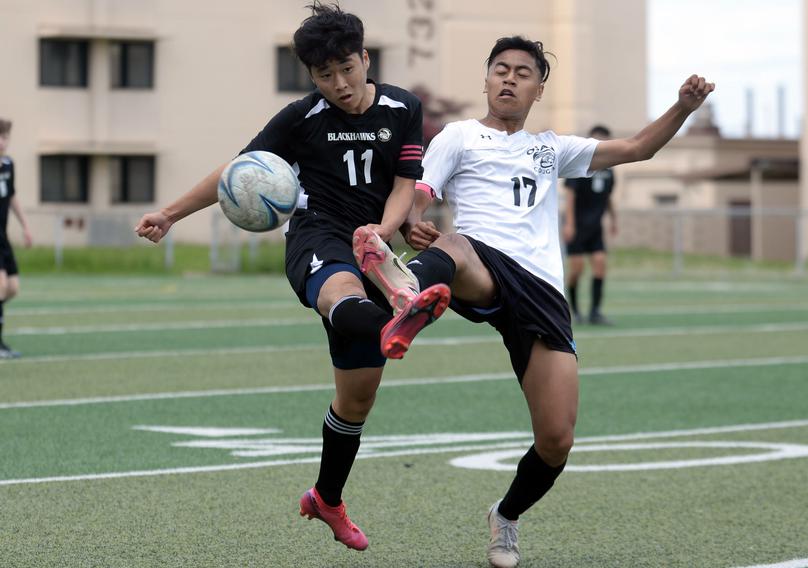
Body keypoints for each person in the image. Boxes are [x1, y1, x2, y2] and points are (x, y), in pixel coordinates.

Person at [355, 36, 713, 568]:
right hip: (481, 265)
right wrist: (410, 219)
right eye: (500, 69)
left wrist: (683, 108)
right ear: (485, 80)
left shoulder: (552, 148)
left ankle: (505, 516)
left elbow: (639, 148)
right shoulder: (459, 136)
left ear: (538, 89)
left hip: (542, 294)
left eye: (523, 72)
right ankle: (405, 293)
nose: (509, 78)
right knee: (455, 243)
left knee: (557, 439)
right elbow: (423, 190)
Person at [135, 2, 449, 552]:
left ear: (365, 59)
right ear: (310, 76)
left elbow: (405, 182)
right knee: (342, 296)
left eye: (348, 69)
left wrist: (385, 228)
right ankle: (401, 309)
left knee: (356, 402)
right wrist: (170, 213)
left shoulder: (404, 107)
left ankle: (326, 499)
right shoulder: (302, 118)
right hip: (318, 237)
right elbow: (236, 173)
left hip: (373, 243)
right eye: (325, 76)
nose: (340, 84)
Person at [563, 124, 617, 325]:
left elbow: (608, 197)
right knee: (576, 270)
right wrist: (569, 224)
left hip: (595, 228)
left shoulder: (610, 171)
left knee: (600, 266)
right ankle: (574, 311)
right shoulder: (579, 166)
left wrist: (614, 219)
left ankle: (595, 312)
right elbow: (570, 195)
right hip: (577, 226)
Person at [0, 118, 33, 359]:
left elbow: (11, 197)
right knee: (0, 287)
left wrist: (25, 226)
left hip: (3, 237)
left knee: (12, 289)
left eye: (5, 137)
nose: (2, 142)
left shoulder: (8, 165)